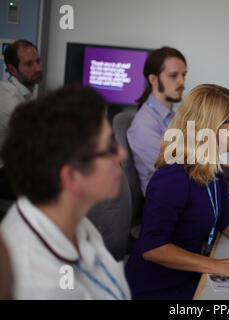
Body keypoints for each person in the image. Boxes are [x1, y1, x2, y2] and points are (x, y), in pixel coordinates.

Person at [125, 84, 229, 300]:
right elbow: (153, 248)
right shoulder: (172, 177)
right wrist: (216, 265)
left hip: (190, 276)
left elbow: (226, 215)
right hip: (158, 289)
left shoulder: (209, 165)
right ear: (213, 127)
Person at [0, 85, 131, 300]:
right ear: (70, 177)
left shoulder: (71, 220)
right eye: (109, 148)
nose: (122, 154)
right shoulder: (40, 284)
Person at [127, 46, 187, 196]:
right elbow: (174, 175)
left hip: (183, 196)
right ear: (153, 79)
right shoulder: (144, 126)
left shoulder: (171, 117)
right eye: (173, 76)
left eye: (183, 75)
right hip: (169, 205)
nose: (181, 82)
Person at [0, 40, 43, 200]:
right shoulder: (11, 100)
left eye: (38, 61)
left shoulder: (19, 92)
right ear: (12, 69)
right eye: (29, 64)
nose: (37, 68)